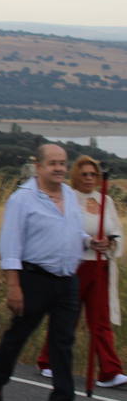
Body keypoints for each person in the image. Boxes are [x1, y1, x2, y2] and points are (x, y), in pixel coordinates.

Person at [0, 145, 100, 401]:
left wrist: (89, 241)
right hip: (34, 278)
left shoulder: (70, 195)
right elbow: (10, 244)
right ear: (39, 166)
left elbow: (72, 231)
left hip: (67, 280)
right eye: (53, 163)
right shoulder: (22, 199)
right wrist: (13, 286)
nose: (59, 168)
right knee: (18, 335)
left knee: (63, 342)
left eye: (62, 163)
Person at [35, 155, 126, 388]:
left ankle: (110, 371)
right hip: (75, 266)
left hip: (100, 268)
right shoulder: (68, 199)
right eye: (84, 174)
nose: (89, 178)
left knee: (100, 321)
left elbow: (116, 230)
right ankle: (48, 361)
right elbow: (64, 231)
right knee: (67, 318)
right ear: (76, 175)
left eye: (93, 174)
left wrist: (110, 242)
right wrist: (88, 243)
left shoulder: (106, 201)